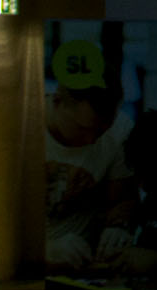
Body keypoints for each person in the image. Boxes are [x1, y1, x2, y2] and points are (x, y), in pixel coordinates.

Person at [44, 41, 139, 271]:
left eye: (101, 131)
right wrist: (44, 249)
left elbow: (124, 199)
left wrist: (118, 225)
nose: (92, 141)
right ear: (57, 102)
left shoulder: (119, 131)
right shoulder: (20, 125)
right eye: (83, 129)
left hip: (86, 265)